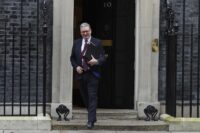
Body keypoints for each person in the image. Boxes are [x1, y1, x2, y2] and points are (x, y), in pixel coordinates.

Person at [70, 22, 105, 129]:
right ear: (80, 33)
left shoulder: (97, 42)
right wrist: (76, 67)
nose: (85, 33)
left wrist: (97, 61)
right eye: (83, 32)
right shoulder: (76, 43)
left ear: (90, 31)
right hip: (81, 74)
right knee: (85, 97)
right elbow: (72, 58)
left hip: (93, 74)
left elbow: (103, 57)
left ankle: (90, 121)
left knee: (92, 97)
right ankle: (93, 116)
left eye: (87, 31)